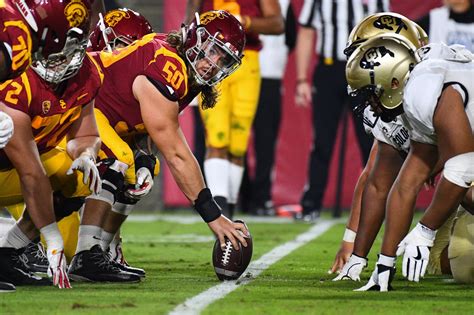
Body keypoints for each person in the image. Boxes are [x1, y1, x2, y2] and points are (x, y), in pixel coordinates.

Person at [66, 10, 251, 282]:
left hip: (99, 112)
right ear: (196, 37)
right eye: (213, 50)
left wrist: (145, 157)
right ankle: (86, 252)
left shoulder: (185, 68)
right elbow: (176, 153)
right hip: (78, 102)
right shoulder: (168, 65)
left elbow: (143, 122)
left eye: (223, 59)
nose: (214, 63)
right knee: (119, 158)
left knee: (139, 172)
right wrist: (214, 216)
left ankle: (101, 251)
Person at [345, 33, 474, 291]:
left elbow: (463, 166)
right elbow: (406, 185)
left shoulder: (424, 88)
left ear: (393, 82)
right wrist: (385, 263)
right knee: (460, 263)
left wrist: (424, 231)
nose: (371, 104)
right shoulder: (418, 89)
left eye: (372, 94)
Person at [0, 0, 101, 289]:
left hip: (22, 167)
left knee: (80, 176)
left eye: (67, 47)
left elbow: (87, 133)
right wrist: (52, 237)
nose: (57, 56)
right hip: (14, 167)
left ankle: (8, 252)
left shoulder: (87, 74)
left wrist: (86, 152)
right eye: (54, 45)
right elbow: (31, 172)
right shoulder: (18, 77)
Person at [326, 12, 424, 274]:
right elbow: (375, 179)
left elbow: (458, 169)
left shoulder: (432, 91)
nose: (358, 66)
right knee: (453, 261)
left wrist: (427, 230)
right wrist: (352, 245)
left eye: (367, 56)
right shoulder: (394, 104)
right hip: (457, 185)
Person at [187, 0, 284, 219]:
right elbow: (190, 20)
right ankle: (219, 209)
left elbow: (277, 24)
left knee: (239, 144)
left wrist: (244, 22)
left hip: (246, 59)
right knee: (217, 138)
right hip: (211, 59)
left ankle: (229, 207)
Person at [294, 0, 390, 222]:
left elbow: (387, 36)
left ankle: (377, 202)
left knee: (372, 140)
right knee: (322, 141)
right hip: (329, 68)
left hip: (366, 71)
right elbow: (306, 33)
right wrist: (301, 79)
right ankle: (311, 204)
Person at [245, 0, 296, 216]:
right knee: (240, 140)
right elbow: (291, 38)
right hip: (249, 73)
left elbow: (289, 33)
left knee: (259, 141)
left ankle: (252, 196)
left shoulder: (282, 3)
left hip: (259, 73)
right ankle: (254, 197)